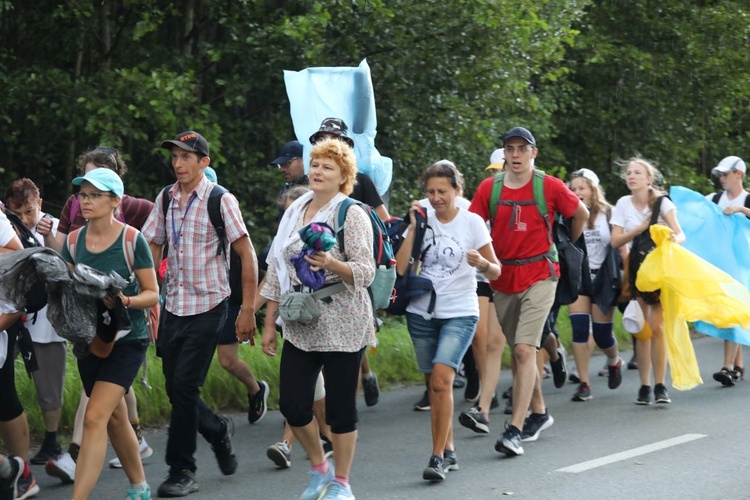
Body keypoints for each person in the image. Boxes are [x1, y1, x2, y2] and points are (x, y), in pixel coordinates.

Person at [142, 131, 258, 497]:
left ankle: (182, 469)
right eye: (175, 157)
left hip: (210, 305)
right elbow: (153, 246)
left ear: (203, 163)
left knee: (184, 386)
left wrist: (249, 310)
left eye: (186, 157)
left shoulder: (220, 200)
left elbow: (247, 254)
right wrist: (150, 298)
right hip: (173, 304)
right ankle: (217, 431)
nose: (178, 164)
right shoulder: (165, 198)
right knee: (177, 389)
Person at [261, 137, 375, 500]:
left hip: (343, 320)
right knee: (294, 406)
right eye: (314, 165)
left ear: (343, 175)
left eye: (327, 167)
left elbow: (365, 271)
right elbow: (277, 267)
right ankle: (319, 468)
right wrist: (267, 321)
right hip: (301, 322)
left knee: (340, 410)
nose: (317, 172)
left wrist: (331, 264)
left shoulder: (351, 212)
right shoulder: (296, 210)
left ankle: (342, 482)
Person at [469, 127, 588, 457]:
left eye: (523, 148)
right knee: (522, 350)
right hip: (503, 277)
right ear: (504, 154)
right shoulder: (488, 189)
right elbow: (473, 226)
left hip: (541, 272)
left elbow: (581, 213)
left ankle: (514, 431)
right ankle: (540, 410)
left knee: (523, 351)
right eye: (511, 149)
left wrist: (566, 242)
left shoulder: (548, 185)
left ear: (534, 152)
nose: (516, 154)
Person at [39, 147, 155, 480]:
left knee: (94, 418)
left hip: (128, 337)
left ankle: (77, 473)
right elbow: (70, 283)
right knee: (116, 419)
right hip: (90, 339)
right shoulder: (74, 240)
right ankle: (140, 484)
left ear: (115, 199)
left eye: (93, 195)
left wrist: (124, 302)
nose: (83, 202)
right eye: (82, 195)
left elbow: (152, 293)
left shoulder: (133, 239)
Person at [397, 160, 500, 481]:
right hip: (421, 312)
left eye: (443, 191)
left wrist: (482, 262)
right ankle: (450, 448)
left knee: (442, 381)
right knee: (435, 385)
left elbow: (496, 271)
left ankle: (438, 456)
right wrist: (413, 227)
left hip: (461, 311)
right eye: (430, 191)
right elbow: (401, 268)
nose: (436, 197)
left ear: (458, 190)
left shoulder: (472, 223)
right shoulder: (421, 217)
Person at [309, 117, 388, 407]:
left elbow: (383, 218)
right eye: (322, 138)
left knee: (351, 337)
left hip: (353, 268)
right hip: (317, 279)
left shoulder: (361, 182)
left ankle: (342, 411)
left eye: (334, 138)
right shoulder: (311, 184)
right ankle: (350, 391)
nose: (327, 143)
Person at [610, 156, 685, 405]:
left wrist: (675, 239)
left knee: (658, 328)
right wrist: (640, 229)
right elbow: (615, 241)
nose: (631, 176)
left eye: (637, 173)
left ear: (649, 179)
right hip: (636, 269)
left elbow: (680, 232)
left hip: (660, 268)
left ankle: (661, 385)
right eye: (629, 173)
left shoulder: (662, 202)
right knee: (642, 331)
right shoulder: (622, 203)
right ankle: (644, 386)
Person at [4, 179, 67, 465]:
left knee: (48, 382)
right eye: (19, 213)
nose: (27, 218)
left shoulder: (51, 226)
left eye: (30, 210)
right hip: (13, 318)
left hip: (46, 322)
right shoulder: (9, 227)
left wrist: (49, 235)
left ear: (39, 203)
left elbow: (63, 264)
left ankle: (52, 440)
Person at [205, 168, 269, 424]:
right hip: (198, 300)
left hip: (231, 301)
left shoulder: (227, 218)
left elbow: (255, 264)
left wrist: (249, 307)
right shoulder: (180, 216)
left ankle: (256, 389)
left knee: (227, 360)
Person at [458, 150, 507, 434]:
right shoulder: (480, 198)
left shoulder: (523, 199)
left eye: (498, 170)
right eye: (492, 170)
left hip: (509, 277)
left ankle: (536, 406)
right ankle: (485, 402)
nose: (494, 175)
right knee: (481, 337)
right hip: (481, 276)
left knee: (508, 345)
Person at [566, 168, 623, 401]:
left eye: (582, 188)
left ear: (593, 189)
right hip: (579, 277)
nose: (577, 192)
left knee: (601, 335)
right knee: (579, 330)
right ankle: (584, 383)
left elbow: (621, 246)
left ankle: (613, 360)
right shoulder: (569, 214)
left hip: (603, 278)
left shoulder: (609, 214)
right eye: (573, 189)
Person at [0, 208, 39, 500]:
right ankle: (11, 471)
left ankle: (19, 473)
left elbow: (18, 255)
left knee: (5, 394)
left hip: (4, 313)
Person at [705, 156, 748, 385]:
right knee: (731, 315)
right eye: (720, 175)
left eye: (725, 174)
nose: (721, 178)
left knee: (734, 314)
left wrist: (741, 209)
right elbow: (692, 214)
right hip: (721, 267)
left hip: (744, 268)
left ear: (738, 174)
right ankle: (737, 366)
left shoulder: (747, 199)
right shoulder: (714, 199)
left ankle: (728, 366)